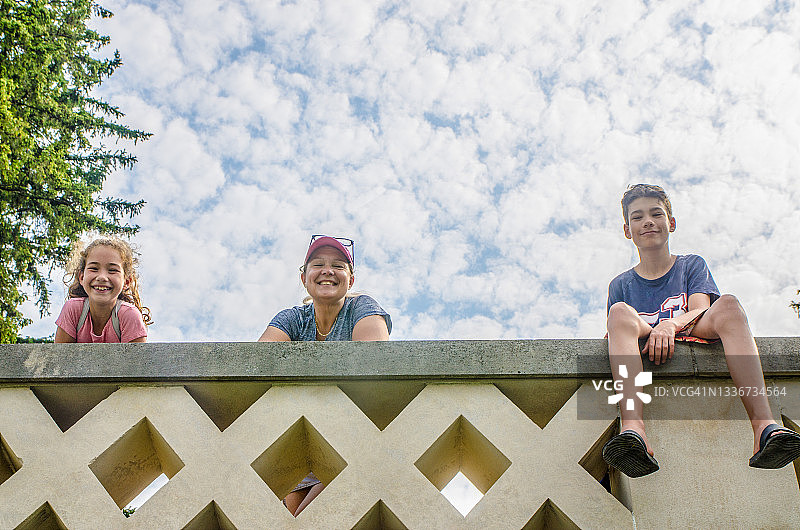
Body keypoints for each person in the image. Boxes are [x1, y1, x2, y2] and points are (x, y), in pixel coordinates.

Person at [601, 184, 800, 478]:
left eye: (657, 214)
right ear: (628, 230)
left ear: (671, 223)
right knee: (618, 312)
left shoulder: (690, 265)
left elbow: (699, 310)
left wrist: (669, 325)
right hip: (645, 335)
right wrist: (656, 330)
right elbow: (620, 331)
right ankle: (634, 430)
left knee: (729, 304)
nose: (648, 221)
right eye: (637, 217)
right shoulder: (622, 284)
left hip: (693, 327)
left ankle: (764, 427)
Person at [258, 235, 391, 515]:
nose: (328, 271)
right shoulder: (293, 318)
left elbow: (375, 364)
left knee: (307, 518)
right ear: (305, 277)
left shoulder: (362, 307)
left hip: (350, 439)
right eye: (318, 264)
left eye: (338, 265)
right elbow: (260, 364)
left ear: (350, 280)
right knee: (286, 516)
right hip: (297, 440)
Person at [55, 237, 150, 343]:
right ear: (81, 277)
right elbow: (60, 357)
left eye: (112, 270)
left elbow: (136, 359)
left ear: (126, 282)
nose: (102, 277)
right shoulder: (72, 309)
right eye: (94, 268)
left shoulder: (130, 316)